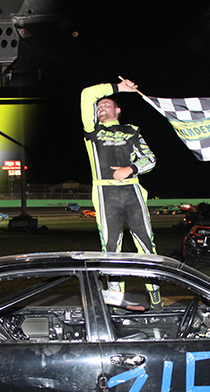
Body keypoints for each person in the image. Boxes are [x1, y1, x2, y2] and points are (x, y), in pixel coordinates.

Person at [81, 78, 161, 309]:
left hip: (132, 190)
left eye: (106, 104)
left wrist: (131, 169)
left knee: (146, 243)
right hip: (105, 193)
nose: (100, 108)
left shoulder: (131, 131)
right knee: (110, 249)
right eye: (98, 107)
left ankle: (154, 292)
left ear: (117, 110)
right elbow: (87, 94)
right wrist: (118, 88)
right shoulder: (92, 131)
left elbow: (150, 159)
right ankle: (116, 300)